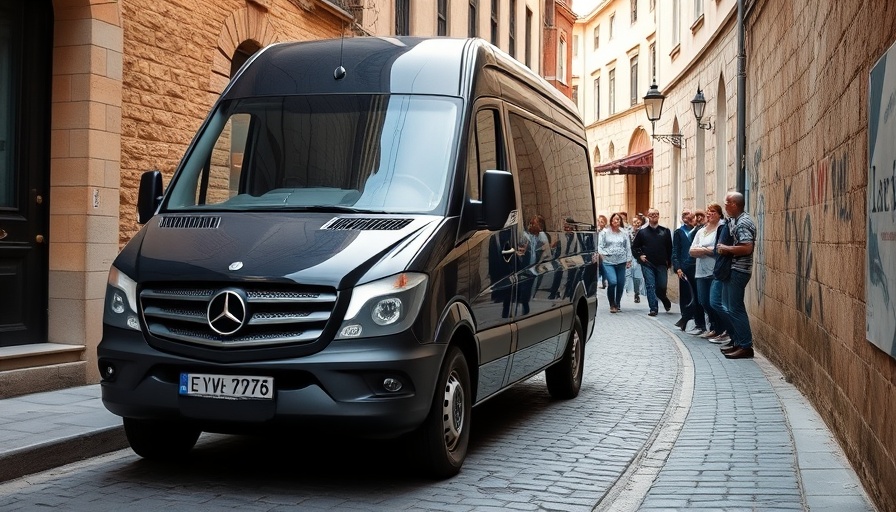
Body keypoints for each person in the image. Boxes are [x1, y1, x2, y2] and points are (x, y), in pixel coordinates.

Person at [717, 192, 757, 359]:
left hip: (739, 270)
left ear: (734, 204)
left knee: (735, 308)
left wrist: (726, 248)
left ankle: (745, 346)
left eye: (726, 203)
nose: (724, 206)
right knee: (729, 307)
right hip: (733, 269)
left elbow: (747, 247)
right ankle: (738, 343)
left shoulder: (743, 223)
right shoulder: (736, 220)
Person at [689, 203, 723, 339]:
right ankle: (714, 327)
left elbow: (718, 250)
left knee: (713, 302)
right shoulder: (701, 231)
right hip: (700, 271)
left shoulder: (721, 229)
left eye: (713, 211)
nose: (709, 214)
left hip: (715, 271)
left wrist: (702, 250)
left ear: (720, 214)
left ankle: (719, 328)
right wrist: (706, 250)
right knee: (703, 301)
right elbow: (691, 251)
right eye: (708, 211)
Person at [632, 208, 673, 317]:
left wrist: (670, 262)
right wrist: (640, 256)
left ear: (659, 216)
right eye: (651, 214)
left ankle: (664, 299)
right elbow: (635, 247)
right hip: (647, 263)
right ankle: (653, 308)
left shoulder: (665, 231)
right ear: (648, 216)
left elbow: (670, 248)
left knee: (661, 286)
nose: (653, 216)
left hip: (661, 263)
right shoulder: (642, 232)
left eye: (655, 214)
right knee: (650, 285)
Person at [672, 208, 706, 334]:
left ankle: (697, 322)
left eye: (689, 214)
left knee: (698, 296)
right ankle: (686, 319)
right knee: (686, 295)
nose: (687, 216)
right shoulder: (679, 232)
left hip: (697, 267)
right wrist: (678, 267)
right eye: (683, 214)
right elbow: (675, 251)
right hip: (685, 268)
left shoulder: (700, 230)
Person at [598, 212, 632, 313]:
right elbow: (600, 245)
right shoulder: (604, 232)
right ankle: (612, 303)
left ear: (620, 221)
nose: (616, 221)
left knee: (621, 283)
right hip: (609, 262)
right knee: (613, 282)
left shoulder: (624, 232)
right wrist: (603, 255)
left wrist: (629, 259)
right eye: (614, 219)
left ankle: (617, 303)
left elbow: (627, 246)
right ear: (611, 221)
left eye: (618, 219)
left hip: (621, 261)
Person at [626, 214, 645, 303]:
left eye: (638, 222)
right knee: (631, 275)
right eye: (634, 222)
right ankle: (632, 292)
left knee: (638, 276)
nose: (636, 224)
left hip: (640, 256)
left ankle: (637, 292)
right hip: (630, 256)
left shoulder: (644, 232)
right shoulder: (628, 232)